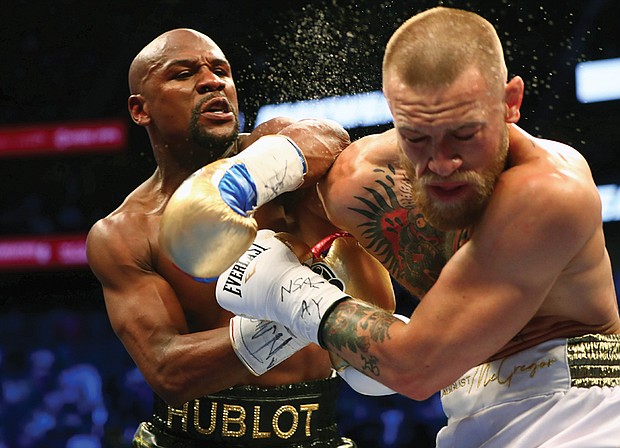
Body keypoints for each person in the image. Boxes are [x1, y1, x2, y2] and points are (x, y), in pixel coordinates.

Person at [211, 7, 620, 447]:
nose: (442, 164)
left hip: (580, 417)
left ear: (511, 103)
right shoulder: (360, 179)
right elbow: (311, 161)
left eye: (464, 134)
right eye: (418, 137)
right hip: (465, 418)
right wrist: (253, 175)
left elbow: (416, 368)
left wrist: (285, 291)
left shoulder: (548, 193)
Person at [86, 28, 396, 447]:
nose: (212, 81)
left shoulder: (276, 157)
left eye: (221, 71)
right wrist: (306, 306)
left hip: (313, 431)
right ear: (141, 110)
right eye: (183, 73)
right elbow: (168, 371)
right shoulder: (125, 232)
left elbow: (330, 136)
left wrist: (243, 184)